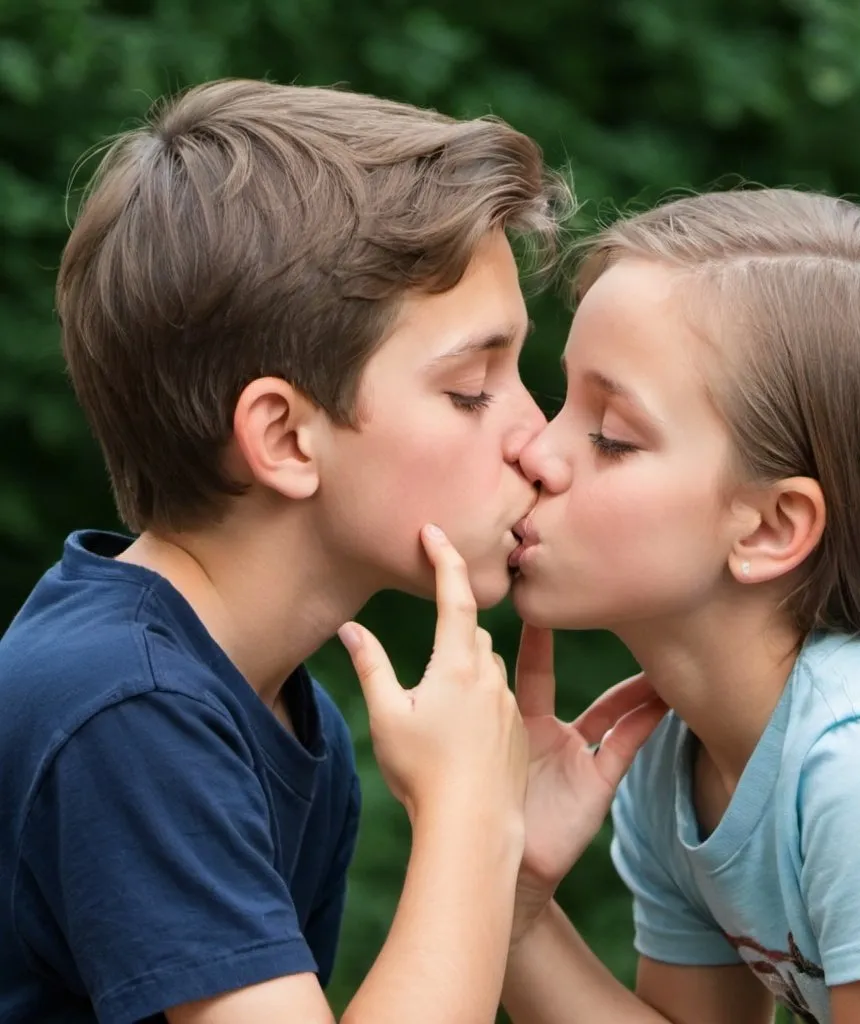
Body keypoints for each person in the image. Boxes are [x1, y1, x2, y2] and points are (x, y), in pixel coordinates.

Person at [0, 77, 604, 1024]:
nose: (538, 440)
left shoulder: (279, 718)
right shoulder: (130, 709)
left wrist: (506, 873)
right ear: (284, 437)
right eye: (472, 387)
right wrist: (468, 823)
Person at [499, 188, 860, 1023]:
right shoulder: (683, 760)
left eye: (611, 436)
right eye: (561, 401)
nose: (533, 449)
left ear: (773, 526)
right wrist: (509, 893)